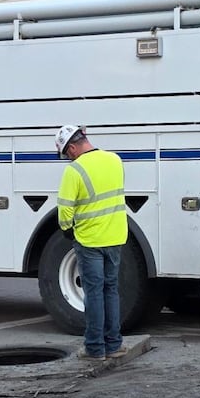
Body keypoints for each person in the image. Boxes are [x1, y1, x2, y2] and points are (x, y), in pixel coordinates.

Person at [55, 125, 128, 361]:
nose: (68, 158)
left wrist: (67, 229)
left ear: (72, 148)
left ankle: (95, 348)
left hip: (89, 240)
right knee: (111, 290)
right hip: (115, 236)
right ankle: (114, 345)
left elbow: (65, 210)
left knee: (94, 292)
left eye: (66, 154)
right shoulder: (115, 160)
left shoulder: (74, 170)